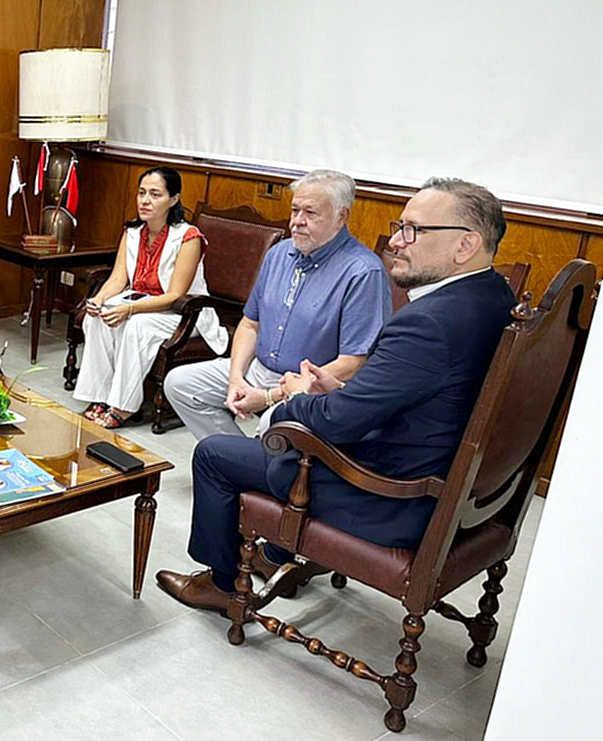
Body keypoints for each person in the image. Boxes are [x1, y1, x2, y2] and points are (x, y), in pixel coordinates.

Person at [156, 178, 517, 613]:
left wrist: (292, 394)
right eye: (399, 226)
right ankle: (273, 554)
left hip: (393, 497)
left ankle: (225, 583)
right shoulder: (495, 296)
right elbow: (415, 390)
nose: (398, 242)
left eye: (414, 230)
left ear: (465, 245)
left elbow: (334, 422)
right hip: (460, 489)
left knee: (217, 454)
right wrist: (342, 390)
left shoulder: (428, 323)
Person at [163, 169, 391, 439]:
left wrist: (271, 396)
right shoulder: (279, 254)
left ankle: (258, 467)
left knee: (273, 421)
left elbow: (354, 361)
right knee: (180, 384)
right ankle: (235, 458)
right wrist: (236, 378)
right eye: (295, 210)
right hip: (259, 369)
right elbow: (250, 325)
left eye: (310, 213)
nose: (297, 222)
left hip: (312, 388)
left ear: (342, 216)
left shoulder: (363, 272)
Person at [72, 167, 227, 428]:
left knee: (135, 326)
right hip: (142, 303)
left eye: (155, 194)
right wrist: (98, 301)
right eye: (142, 193)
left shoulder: (188, 237)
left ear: (173, 199)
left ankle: (123, 407)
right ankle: (99, 396)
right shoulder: (132, 232)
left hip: (184, 313)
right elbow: (117, 281)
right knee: (97, 318)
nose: (145, 200)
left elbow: (175, 295)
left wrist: (130, 310)